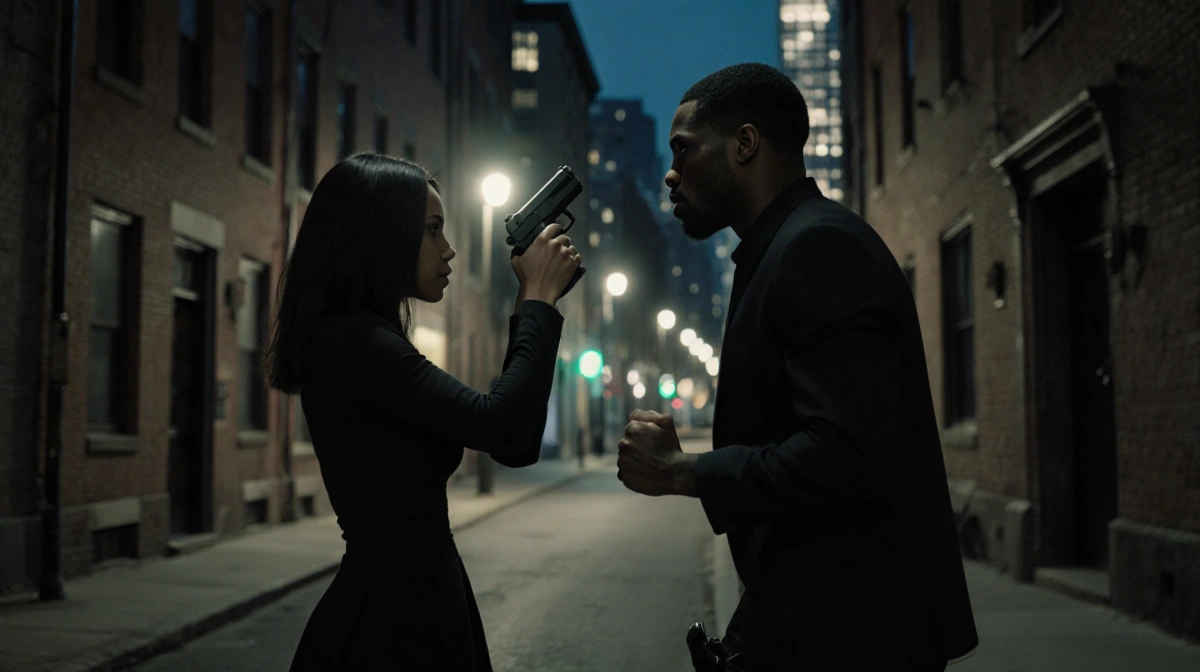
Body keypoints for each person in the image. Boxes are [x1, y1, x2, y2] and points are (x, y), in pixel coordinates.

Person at [615, 63, 979, 671]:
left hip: (861, 635)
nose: (671, 174)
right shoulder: (780, 249)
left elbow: (846, 454)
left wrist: (686, 471)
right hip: (822, 619)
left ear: (745, 143)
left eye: (683, 149)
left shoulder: (817, 247)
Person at [264, 153, 581, 671]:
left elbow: (517, 443)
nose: (449, 249)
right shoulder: (360, 342)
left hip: (411, 602)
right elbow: (502, 427)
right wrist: (539, 301)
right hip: (393, 624)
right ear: (382, 236)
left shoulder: (363, 338)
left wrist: (531, 301)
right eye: (433, 230)